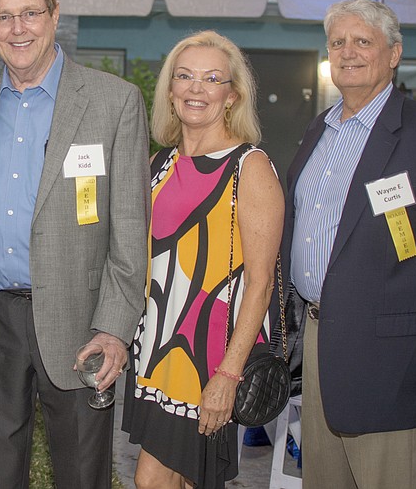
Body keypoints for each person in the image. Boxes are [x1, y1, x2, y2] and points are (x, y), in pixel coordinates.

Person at [0, 0, 150, 489]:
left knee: (81, 474)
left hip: (80, 321)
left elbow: (130, 229)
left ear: (55, 16)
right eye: (3, 17)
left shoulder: (114, 101)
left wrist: (113, 328)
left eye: (30, 13)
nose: (18, 29)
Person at [284, 0, 416, 489]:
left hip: (389, 357)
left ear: (393, 54)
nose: (347, 52)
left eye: (362, 41)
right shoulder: (319, 129)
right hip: (318, 341)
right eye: (337, 42)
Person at [121, 31, 284, 489]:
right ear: (170, 90)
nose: (196, 88)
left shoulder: (249, 167)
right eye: (185, 76)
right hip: (157, 353)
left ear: (232, 96)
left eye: (212, 79)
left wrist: (229, 375)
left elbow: (261, 285)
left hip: (208, 358)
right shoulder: (158, 164)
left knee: (154, 480)